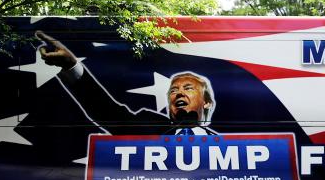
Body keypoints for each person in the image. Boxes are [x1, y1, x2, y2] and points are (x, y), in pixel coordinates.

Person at [35, 31, 216, 135]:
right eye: (174, 90)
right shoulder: (148, 123)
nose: (178, 93)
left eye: (188, 88)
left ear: (207, 101)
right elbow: (105, 111)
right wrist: (71, 65)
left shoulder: (227, 145)